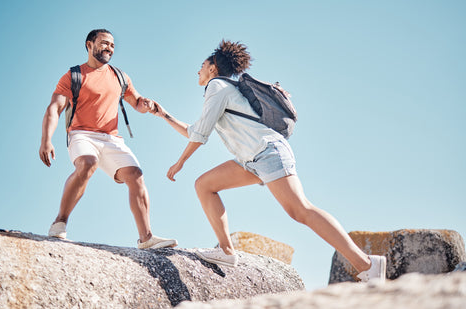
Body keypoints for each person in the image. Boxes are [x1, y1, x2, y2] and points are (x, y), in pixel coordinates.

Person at [148, 40, 386, 282]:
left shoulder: (217, 86)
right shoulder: (223, 89)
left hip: (267, 151)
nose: (198, 70)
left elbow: (201, 134)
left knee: (300, 210)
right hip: (251, 159)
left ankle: (367, 264)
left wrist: (180, 162)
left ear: (212, 68)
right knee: (204, 185)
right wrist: (163, 114)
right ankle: (226, 251)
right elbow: (195, 130)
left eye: (201, 65)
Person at [39, 29, 177, 250]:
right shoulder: (73, 76)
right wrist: (46, 140)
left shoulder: (120, 76)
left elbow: (137, 103)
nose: (109, 48)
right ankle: (60, 222)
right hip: (81, 134)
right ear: (89, 45)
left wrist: (147, 105)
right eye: (104, 43)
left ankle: (146, 238)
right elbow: (54, 108)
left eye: (112, 45)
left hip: (111, 139)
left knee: (136, 175)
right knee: (87, 163)